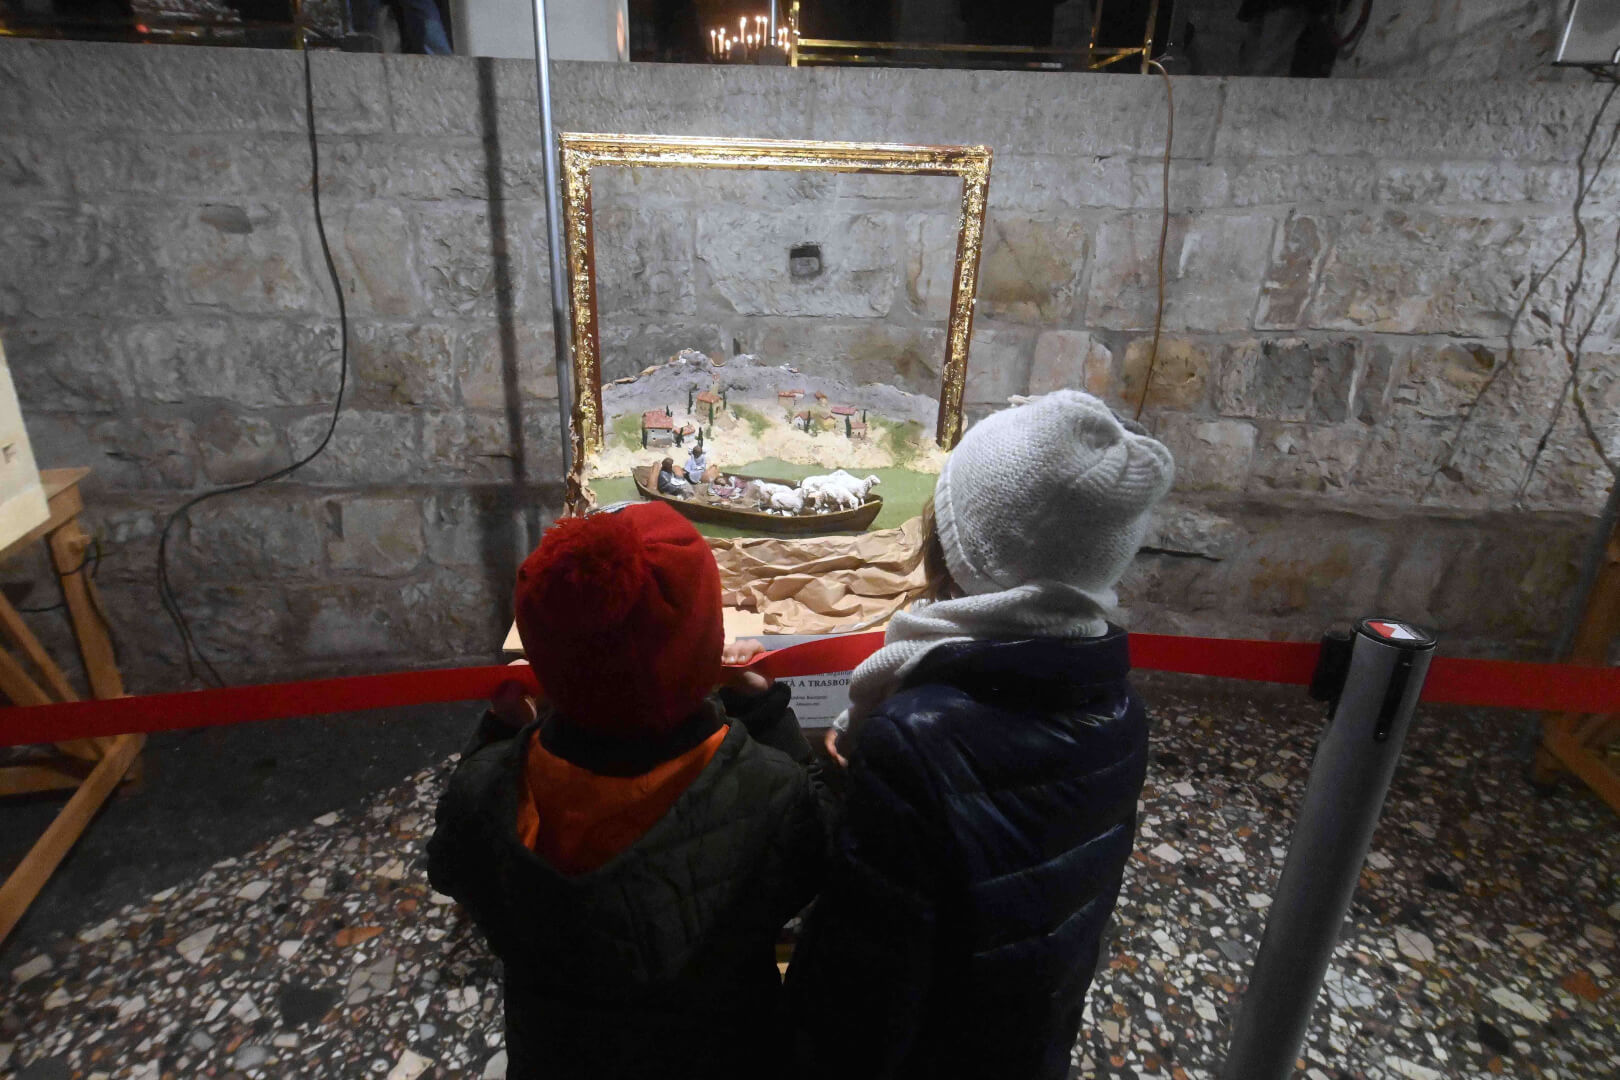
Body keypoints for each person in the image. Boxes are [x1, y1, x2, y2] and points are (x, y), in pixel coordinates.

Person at [788, 390, 1174, 1080]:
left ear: (962, 549)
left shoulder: (913, 739)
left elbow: (858, 995)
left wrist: (855, 783)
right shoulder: (1120, 709)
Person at [427, 503, 825, 1080]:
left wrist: (496, 738)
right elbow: (818, 851)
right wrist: (764, 712)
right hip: (723, 1054)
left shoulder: (487, 791)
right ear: (705, 642)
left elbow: (451, 866)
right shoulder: (769, 789)